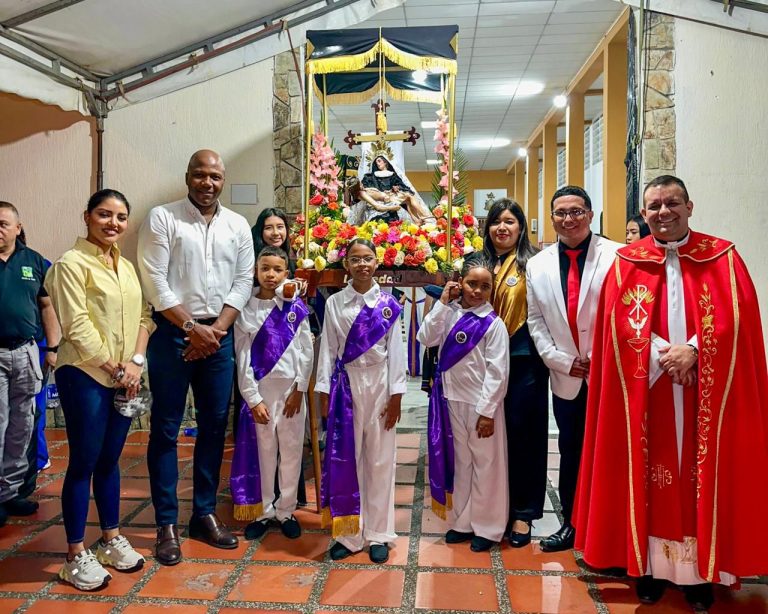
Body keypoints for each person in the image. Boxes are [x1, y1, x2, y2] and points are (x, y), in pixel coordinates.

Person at [574, 175, 768, 610]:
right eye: (655, 206)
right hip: (651, 390)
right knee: (650, 474)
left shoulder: (723, 257)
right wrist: (664, 356)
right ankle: (650, 570)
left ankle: (699, 575)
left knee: (698, 476)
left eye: (672, 203)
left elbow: (738, 322)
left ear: (689, 207)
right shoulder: (626, 262)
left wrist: (694, 351)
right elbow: (616, 325)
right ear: (644, 213)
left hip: (703, 391)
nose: (664, 212)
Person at [138, 149, 255, 565]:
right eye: (201, 175)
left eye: (215, 177)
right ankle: (166, 523)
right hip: (173, 334)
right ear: (188, 176)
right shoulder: (162, 217)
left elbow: (244, 280)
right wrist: (192, 328)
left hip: (218, 336)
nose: (208, 183)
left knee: (214, 427)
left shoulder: (238, 225)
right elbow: (154, 279)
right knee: (166, 429)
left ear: (223, 180)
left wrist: (216, 330)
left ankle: (203, 513)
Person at [45, 189, 154, 591]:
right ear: (87, 216)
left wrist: (135, 363)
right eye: (104, 215)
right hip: (85, 375)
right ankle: (74, 555)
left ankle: (110, 539)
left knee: (110, 460)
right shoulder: (70, 265)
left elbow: (145, 315)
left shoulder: (125, 266)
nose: (113, 223)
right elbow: (76, 326)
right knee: (84, 462)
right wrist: (115, 368)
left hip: (125, 376)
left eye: (121, 217)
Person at [526, 185, 621, 552]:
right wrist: (561, 360)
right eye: (561, 213)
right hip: (567, 376)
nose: (569, 219)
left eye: (577, 211)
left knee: (611, 452)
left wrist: (601, 355)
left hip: (609, 374)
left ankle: (610, 526)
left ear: (590, 215)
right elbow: (536, 321)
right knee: (571, 451)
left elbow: (626, 312)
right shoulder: (537, 264)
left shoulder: (617, 256)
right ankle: (572, 523)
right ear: (552, 218)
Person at [315, 238, 406, 564]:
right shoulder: (335, 303)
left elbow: (396, 352)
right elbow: (327, 349)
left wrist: (396, 396)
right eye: (355, 259)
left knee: (380, 459)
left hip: (379, 383)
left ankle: (379, 533)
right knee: (346, 458)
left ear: (377, 262)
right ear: (346, 264)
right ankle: (349, 534)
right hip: (346, 385)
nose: (362, 264)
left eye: (368, 258)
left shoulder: (388, 305)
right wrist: (323, 393)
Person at [418, 254, 509, 552]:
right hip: (451, 402)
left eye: (485, 286)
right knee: (462, 463)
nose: (477, 291)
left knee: (486, 465)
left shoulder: (493, 325)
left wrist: (487, 411)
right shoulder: (450, 314)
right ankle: (463, 522)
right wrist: (443, 303)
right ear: (460, 283)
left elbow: (497, 371)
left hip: (481, 406)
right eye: (471, 284)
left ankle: (488, 527)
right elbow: (426, 337)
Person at [231, 246, 312, 540]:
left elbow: (306, 350)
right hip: (261, 391)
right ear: (256, 271)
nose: (270, 275)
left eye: (277, 269)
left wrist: (300, 388)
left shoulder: (295, 307)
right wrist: (252, 398)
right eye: (265, 268)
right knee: (264, 452)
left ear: (286, 274)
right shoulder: (246, 309)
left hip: (291, 392)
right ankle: (264, 511)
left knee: (290, 451)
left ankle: (286, 510)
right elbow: (242, 357)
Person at [483, 198, 549, 548]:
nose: (502, 228)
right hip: (481, 363)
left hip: (524, 361)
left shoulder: (534, 263)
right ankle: (493, 507)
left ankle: (523, 512)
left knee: (525, 437)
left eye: (509, 221)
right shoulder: (477, 263)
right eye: (496, 221)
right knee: (488, 438)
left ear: (521, 227)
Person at [0, 202, 58, 527]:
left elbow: (47, 307)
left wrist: (53, 347)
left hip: (26, 353)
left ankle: (11, 493)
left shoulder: (34, 261)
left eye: (3, 223)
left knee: (22, 425)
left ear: (18, 228)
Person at [360, 156, 434, 224]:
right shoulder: (371, 176)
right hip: (382, 198)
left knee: (409, 197)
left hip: (392, 195)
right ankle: (420, 218)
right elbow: (367, 188)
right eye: (376, 162)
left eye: (379, 161)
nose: (377, 163)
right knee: (407, 199)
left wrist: (397, 187)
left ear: (385, 162)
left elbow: (401, 185)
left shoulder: (393, 175)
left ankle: (422, 217)